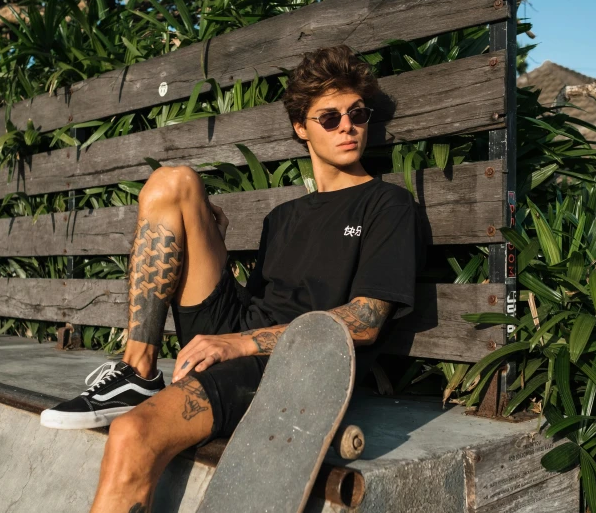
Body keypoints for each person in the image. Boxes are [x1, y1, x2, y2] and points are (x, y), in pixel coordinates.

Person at [40, 44, 418, 513]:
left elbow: (366, 320)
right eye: (330, 117)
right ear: (302, 128)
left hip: (294, 366)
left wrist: (238, 344)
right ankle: (137, 371)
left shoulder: (386, 206)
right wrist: (204, 240)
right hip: (245, 334)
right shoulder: (282, 216)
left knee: (133, 432)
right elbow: (262, 301)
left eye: (357, 114)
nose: (347, 127)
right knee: (171, 183)